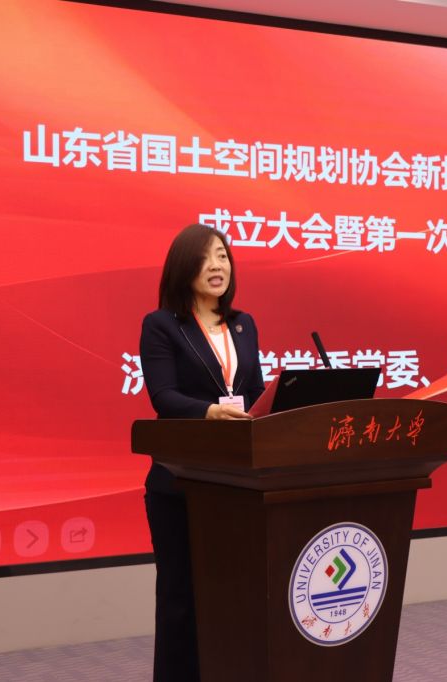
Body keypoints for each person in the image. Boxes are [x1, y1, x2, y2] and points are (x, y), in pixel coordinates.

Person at [136, 224, 265, 681]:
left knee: (232, 596)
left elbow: (254, 391)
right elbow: (163, 396)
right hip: (181, 481)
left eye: (223, 256)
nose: (217, 266)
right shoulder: (162, 325)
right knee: (181, 599)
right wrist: (210, 412)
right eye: (207, 257)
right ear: (184, 266)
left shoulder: (243, 324)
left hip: (236, 482)